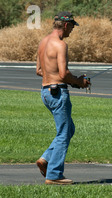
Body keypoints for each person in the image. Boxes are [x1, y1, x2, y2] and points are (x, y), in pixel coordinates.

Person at [35, 12, 90, 185]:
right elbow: (63, 73)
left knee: (68, 129)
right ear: (66, 25)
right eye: (72, 26)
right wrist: (79, 82)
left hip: (45, 91)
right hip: (57, 93)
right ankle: (54, 174)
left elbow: (38, 70)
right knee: (64, 132)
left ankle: (45, 159)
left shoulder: (43, 42)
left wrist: (59, 79)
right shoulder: (61, 45)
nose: (72, 30)